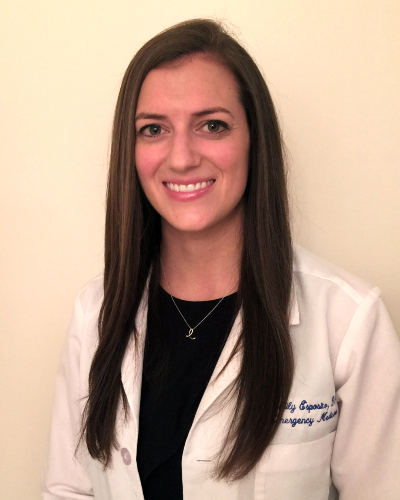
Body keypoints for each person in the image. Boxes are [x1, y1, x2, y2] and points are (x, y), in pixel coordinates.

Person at [42, 19, 400, 500]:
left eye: (212, 125)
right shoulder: (96, 312)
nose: (182, 158)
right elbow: (69, 490)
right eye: (153, 129)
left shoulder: (348, 321)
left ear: (254, 138)